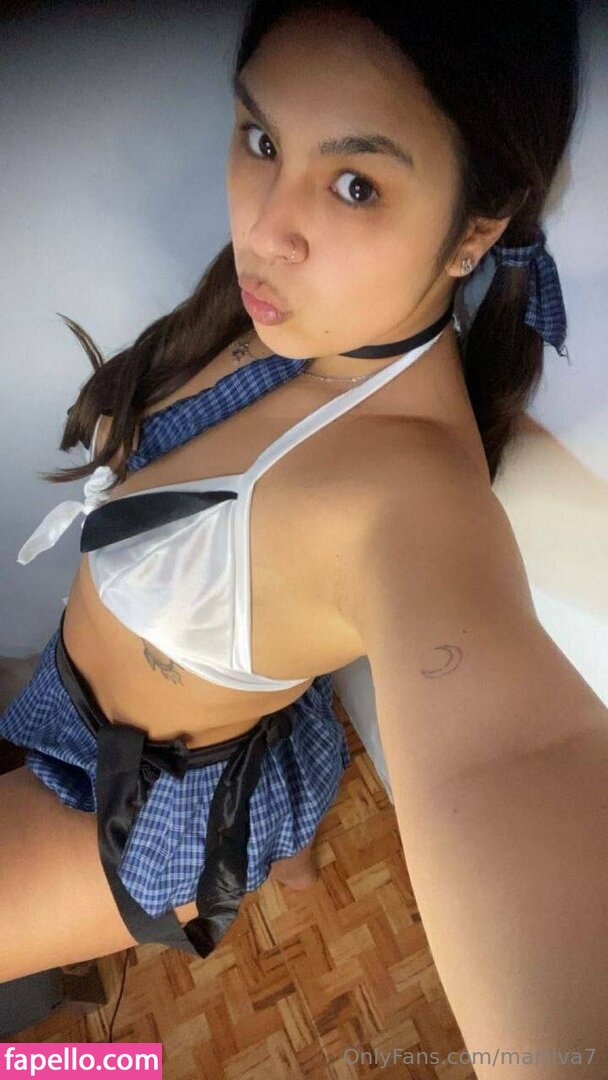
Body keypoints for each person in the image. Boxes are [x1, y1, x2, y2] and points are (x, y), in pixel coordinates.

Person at [3, 0, 608, 1065]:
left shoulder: (407, 499)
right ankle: (287, 846)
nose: (264, 227)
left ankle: (96, 1051)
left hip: (143, 819)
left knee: (52, 1054)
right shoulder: (290, 313)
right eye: (262, 138)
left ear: (475, 230)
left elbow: (514, 758)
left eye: (355, 182)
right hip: (72, 703)